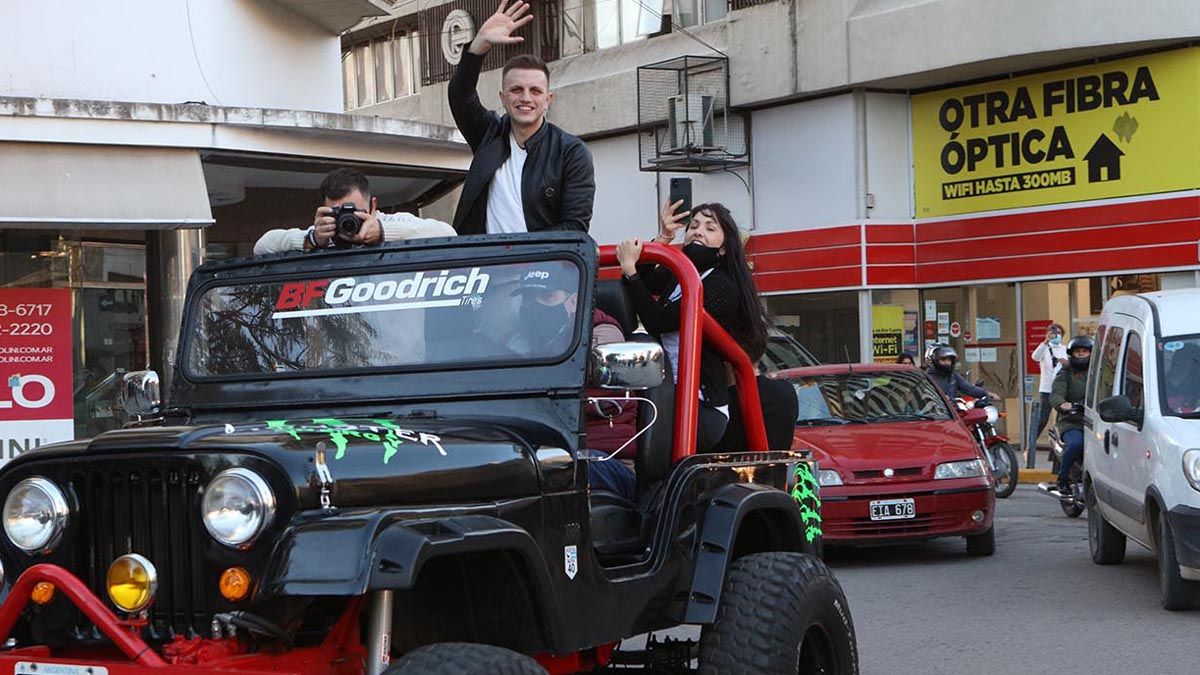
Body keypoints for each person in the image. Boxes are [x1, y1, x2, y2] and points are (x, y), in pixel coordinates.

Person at [616, 201, 771, 453]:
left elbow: (659, 320)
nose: (697, 231)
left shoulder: (722, 285)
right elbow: (641, 285)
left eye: (710, 228)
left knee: (654, 460)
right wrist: (664, 238)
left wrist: (631, 271)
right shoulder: (680, 271)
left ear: (723, 247)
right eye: (693, 225)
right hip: (666, 392)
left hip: (700, 404)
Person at [448, 1, 594, 235]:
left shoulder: (571, 152)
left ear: (548, 99)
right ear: (503, 98)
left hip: (540, 267)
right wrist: (478, 47)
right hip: (483, 267)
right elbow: (460, 96)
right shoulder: (488, 135)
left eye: (535, 91)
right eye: (516, 90)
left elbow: (574, 227)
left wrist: (519, 252)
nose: (525, 98)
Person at [253, 168, 454, 254]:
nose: (347, 221)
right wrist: (312, 240)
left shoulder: (395, 225)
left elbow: (448, 235)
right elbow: (261, 247)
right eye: (337, 213)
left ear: (373, 206)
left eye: (355, 213)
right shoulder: (325, 235)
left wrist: (383, 234)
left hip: (405, 344)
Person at [1051, 335, 1092, 496]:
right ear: (1072, 354)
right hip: (1072, 421)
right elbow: (1055, 395)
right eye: (1078, 351)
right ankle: (1063, 479)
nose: (1081, 354)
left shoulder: (1099, 372)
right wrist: (1063, 404)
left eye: (1085, 351)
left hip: (1096, 420)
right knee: (1076, 444)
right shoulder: (1066, 373)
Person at [1030, 323, 1068, 443]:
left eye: (1059, 334)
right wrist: (1045, 341)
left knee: (1062, 418)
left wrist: (1067, 362)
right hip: (1046, 389)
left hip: (1062, 389)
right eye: (1054, 334)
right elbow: (1035, 357)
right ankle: (1030, 444)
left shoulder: (1065, 349)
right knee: (1042, 419)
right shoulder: (1044, 348)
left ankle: (1060, 442)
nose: (1057, 336)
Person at [925, 345, 1000, 401]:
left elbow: (969, 388)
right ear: (934, 360)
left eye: (949, 360)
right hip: (934, 415)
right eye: (943, 359)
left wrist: (986, 393)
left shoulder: (953, 376)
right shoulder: (927, 378)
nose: (947, 362)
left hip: (953, 412)